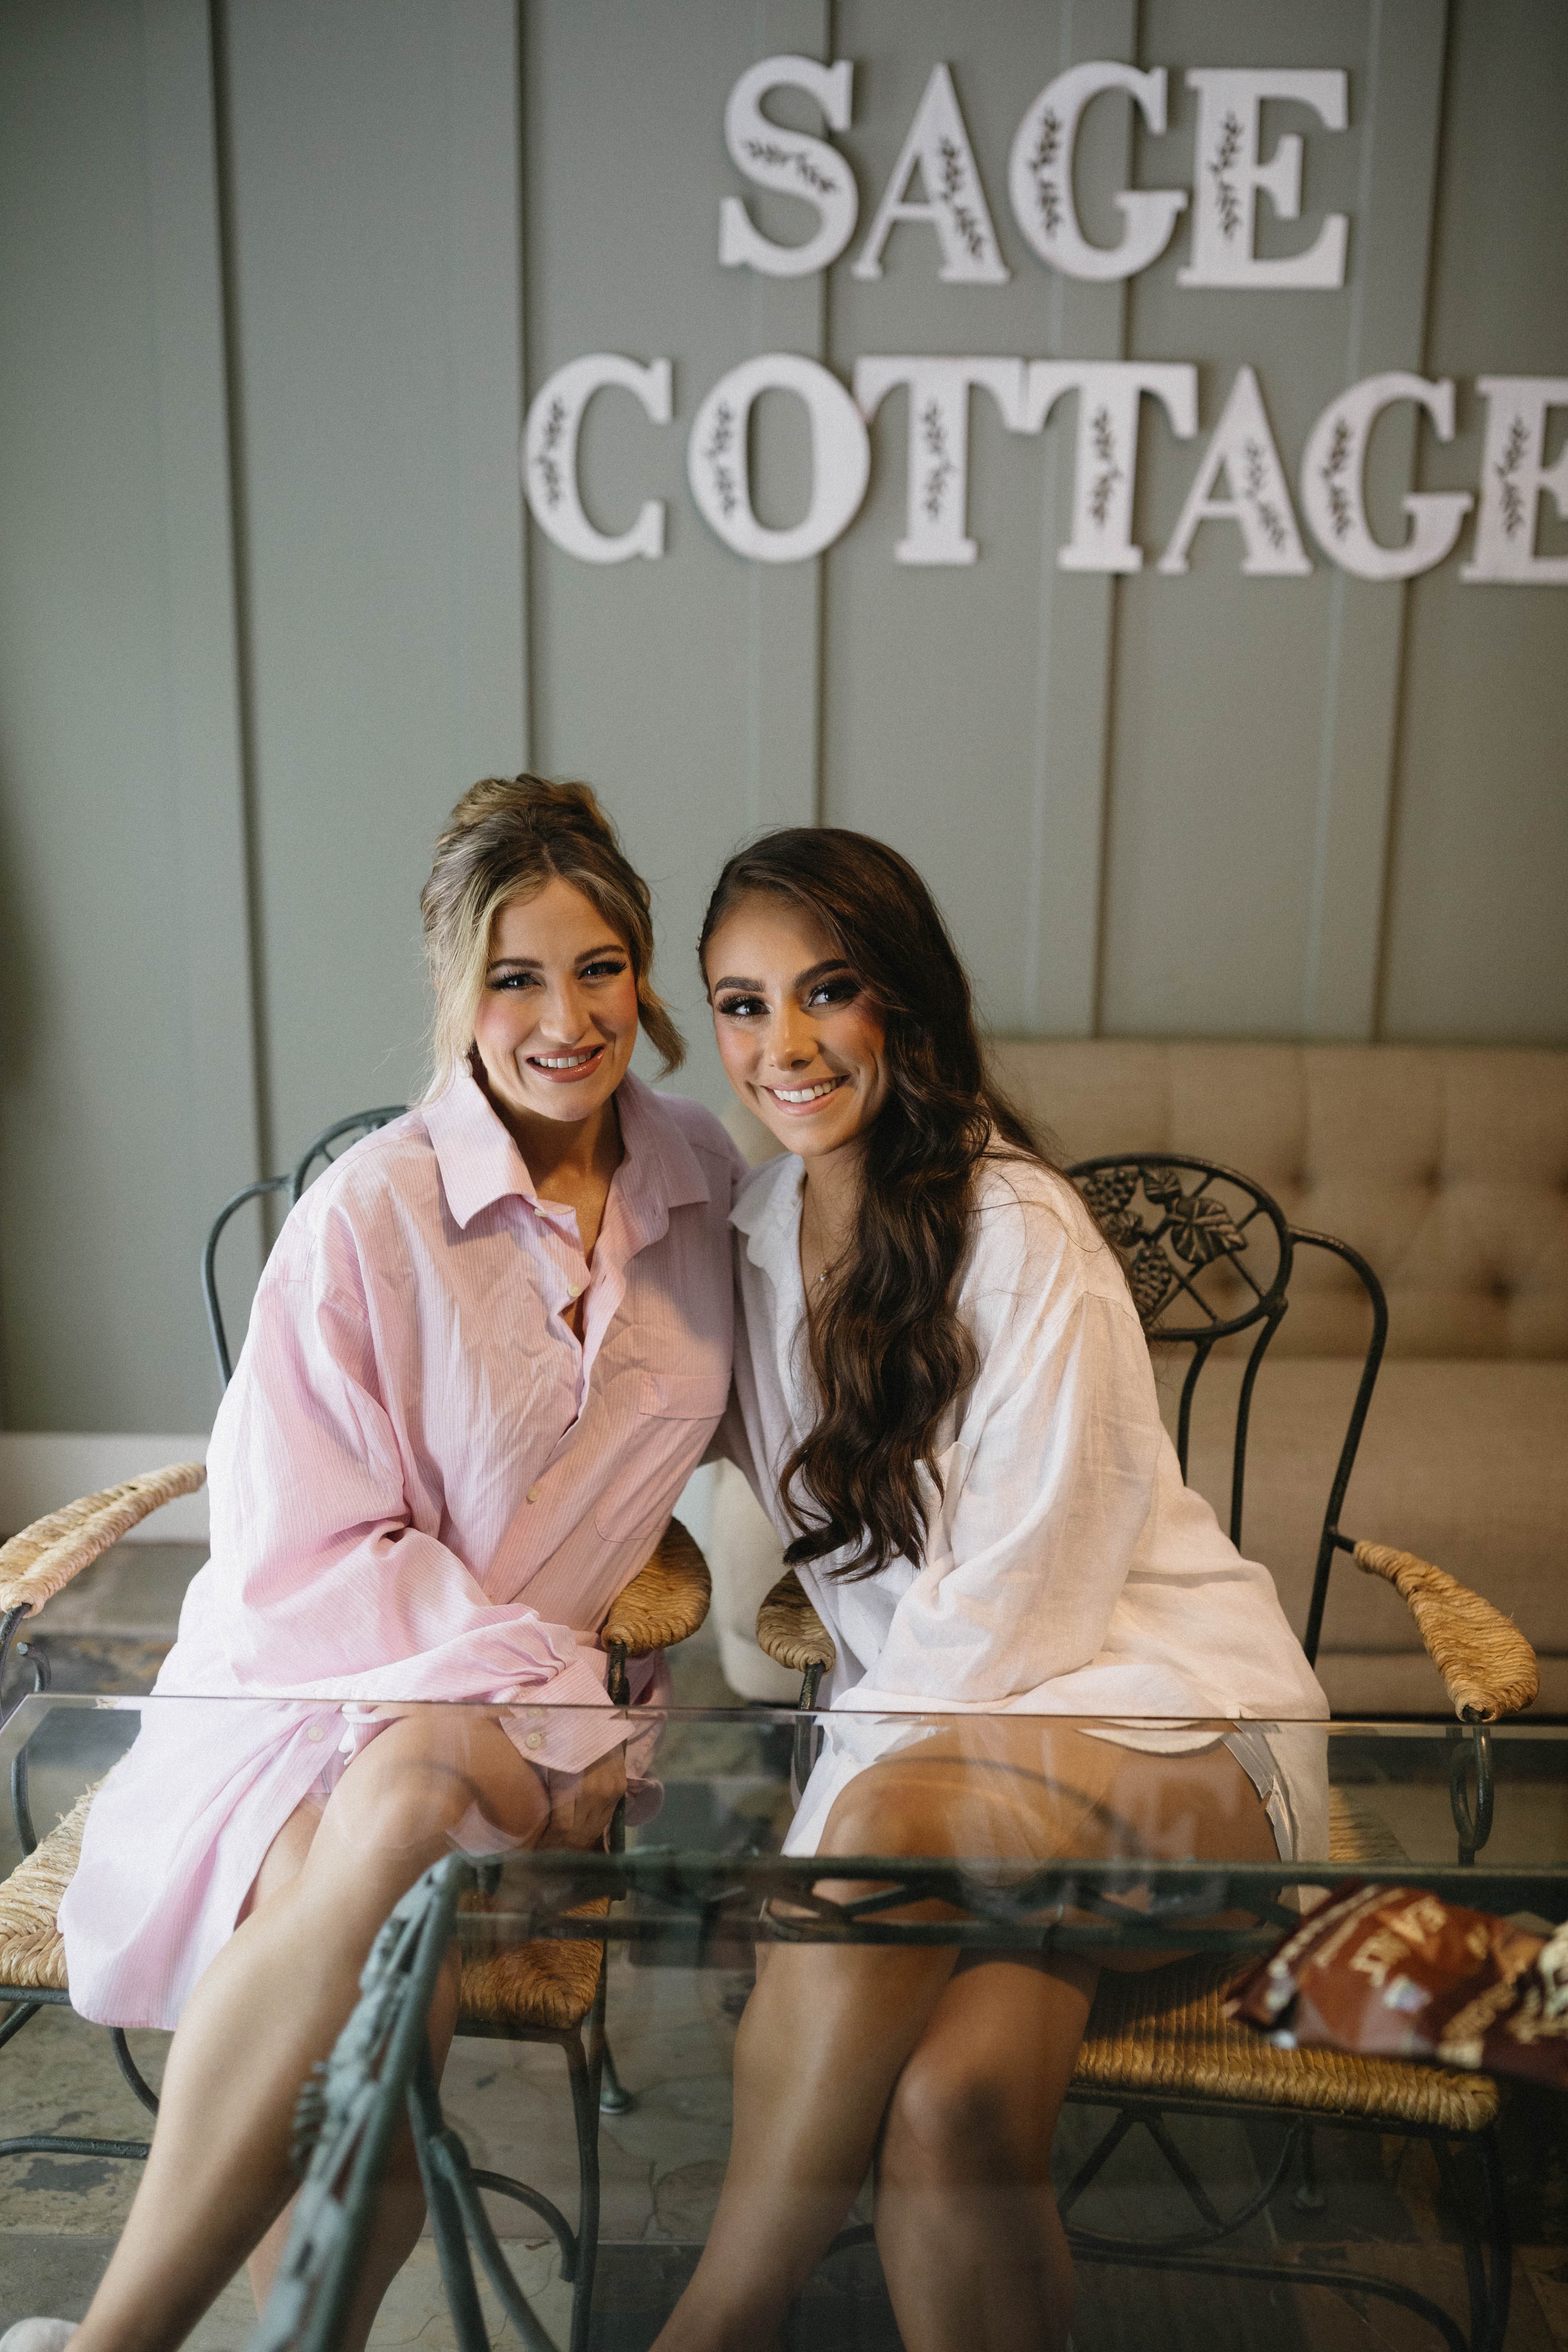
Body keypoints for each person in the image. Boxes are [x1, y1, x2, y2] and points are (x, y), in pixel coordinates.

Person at [4, 777, 742, 2352]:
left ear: (645, 974)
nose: (566, 1016)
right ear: (453, 990)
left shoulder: (704, 1191)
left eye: (599, 967)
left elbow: (806, 1432)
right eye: (517, 975)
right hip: (303, 1693)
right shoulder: (368, 1216)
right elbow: (298, 1556)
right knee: (367, 2100)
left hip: (537, 1750)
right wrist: (530, 1676)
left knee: (402, 1812)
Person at [655, 829, 1329, 2352]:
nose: (786, 1044)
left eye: (828, 990)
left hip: (1171, 1737)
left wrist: (827, 1854)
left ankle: (710, 2331)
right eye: (743, 1003)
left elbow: (1016, 1610)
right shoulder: (753, 1239)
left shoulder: (1021, 1230)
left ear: (905, 1002)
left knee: (876, 1833)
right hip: (957, 1787)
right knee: (952, 2107)